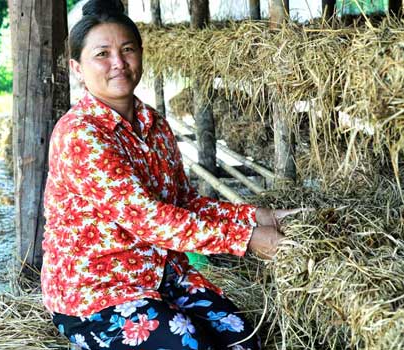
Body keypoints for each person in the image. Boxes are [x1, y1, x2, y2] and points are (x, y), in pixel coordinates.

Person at [40, 1, 301, 349]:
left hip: (163, 275)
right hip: (97, 289)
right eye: (102, 54)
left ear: (141, 54)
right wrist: (248, 238)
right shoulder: (79, 134)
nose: (118, 63)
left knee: (243, 338)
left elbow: (182, 202)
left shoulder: (154, 124)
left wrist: (258, 215)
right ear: (77, 67)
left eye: (127, 49)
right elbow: (149, 219)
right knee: (190, 343)